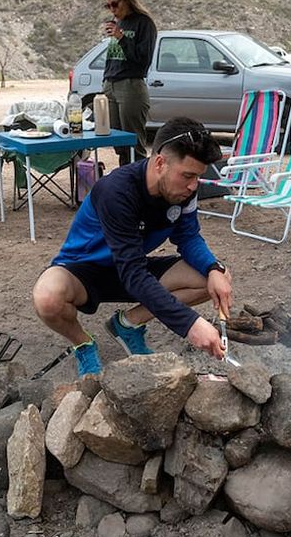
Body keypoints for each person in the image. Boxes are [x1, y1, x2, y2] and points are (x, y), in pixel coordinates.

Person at [32, 117, 232, 377]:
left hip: (131, 266)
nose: (194, 185)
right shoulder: (116, 191)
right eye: (188, 175)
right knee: (47, 297)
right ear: (160, 163)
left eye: (198, 177)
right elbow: (133, 273)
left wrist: (214, 267)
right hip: (82, 270)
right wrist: (190, 324)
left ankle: (127, 324)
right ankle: (83, 343)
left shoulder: (184, 191)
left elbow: (188, 237)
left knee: (215, 278)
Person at [101, 0, 157, 167]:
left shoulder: (144, 23)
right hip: (111, 84)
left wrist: (121, 37)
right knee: (118, 142)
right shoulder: (119, 22)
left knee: (133, 144)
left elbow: (143, 59)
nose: (112, 9)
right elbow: (113, 56)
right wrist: (106, 80)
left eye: (114, 4)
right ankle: (125, 181)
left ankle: (139, 185)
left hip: (131, 85)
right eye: (108, 5)